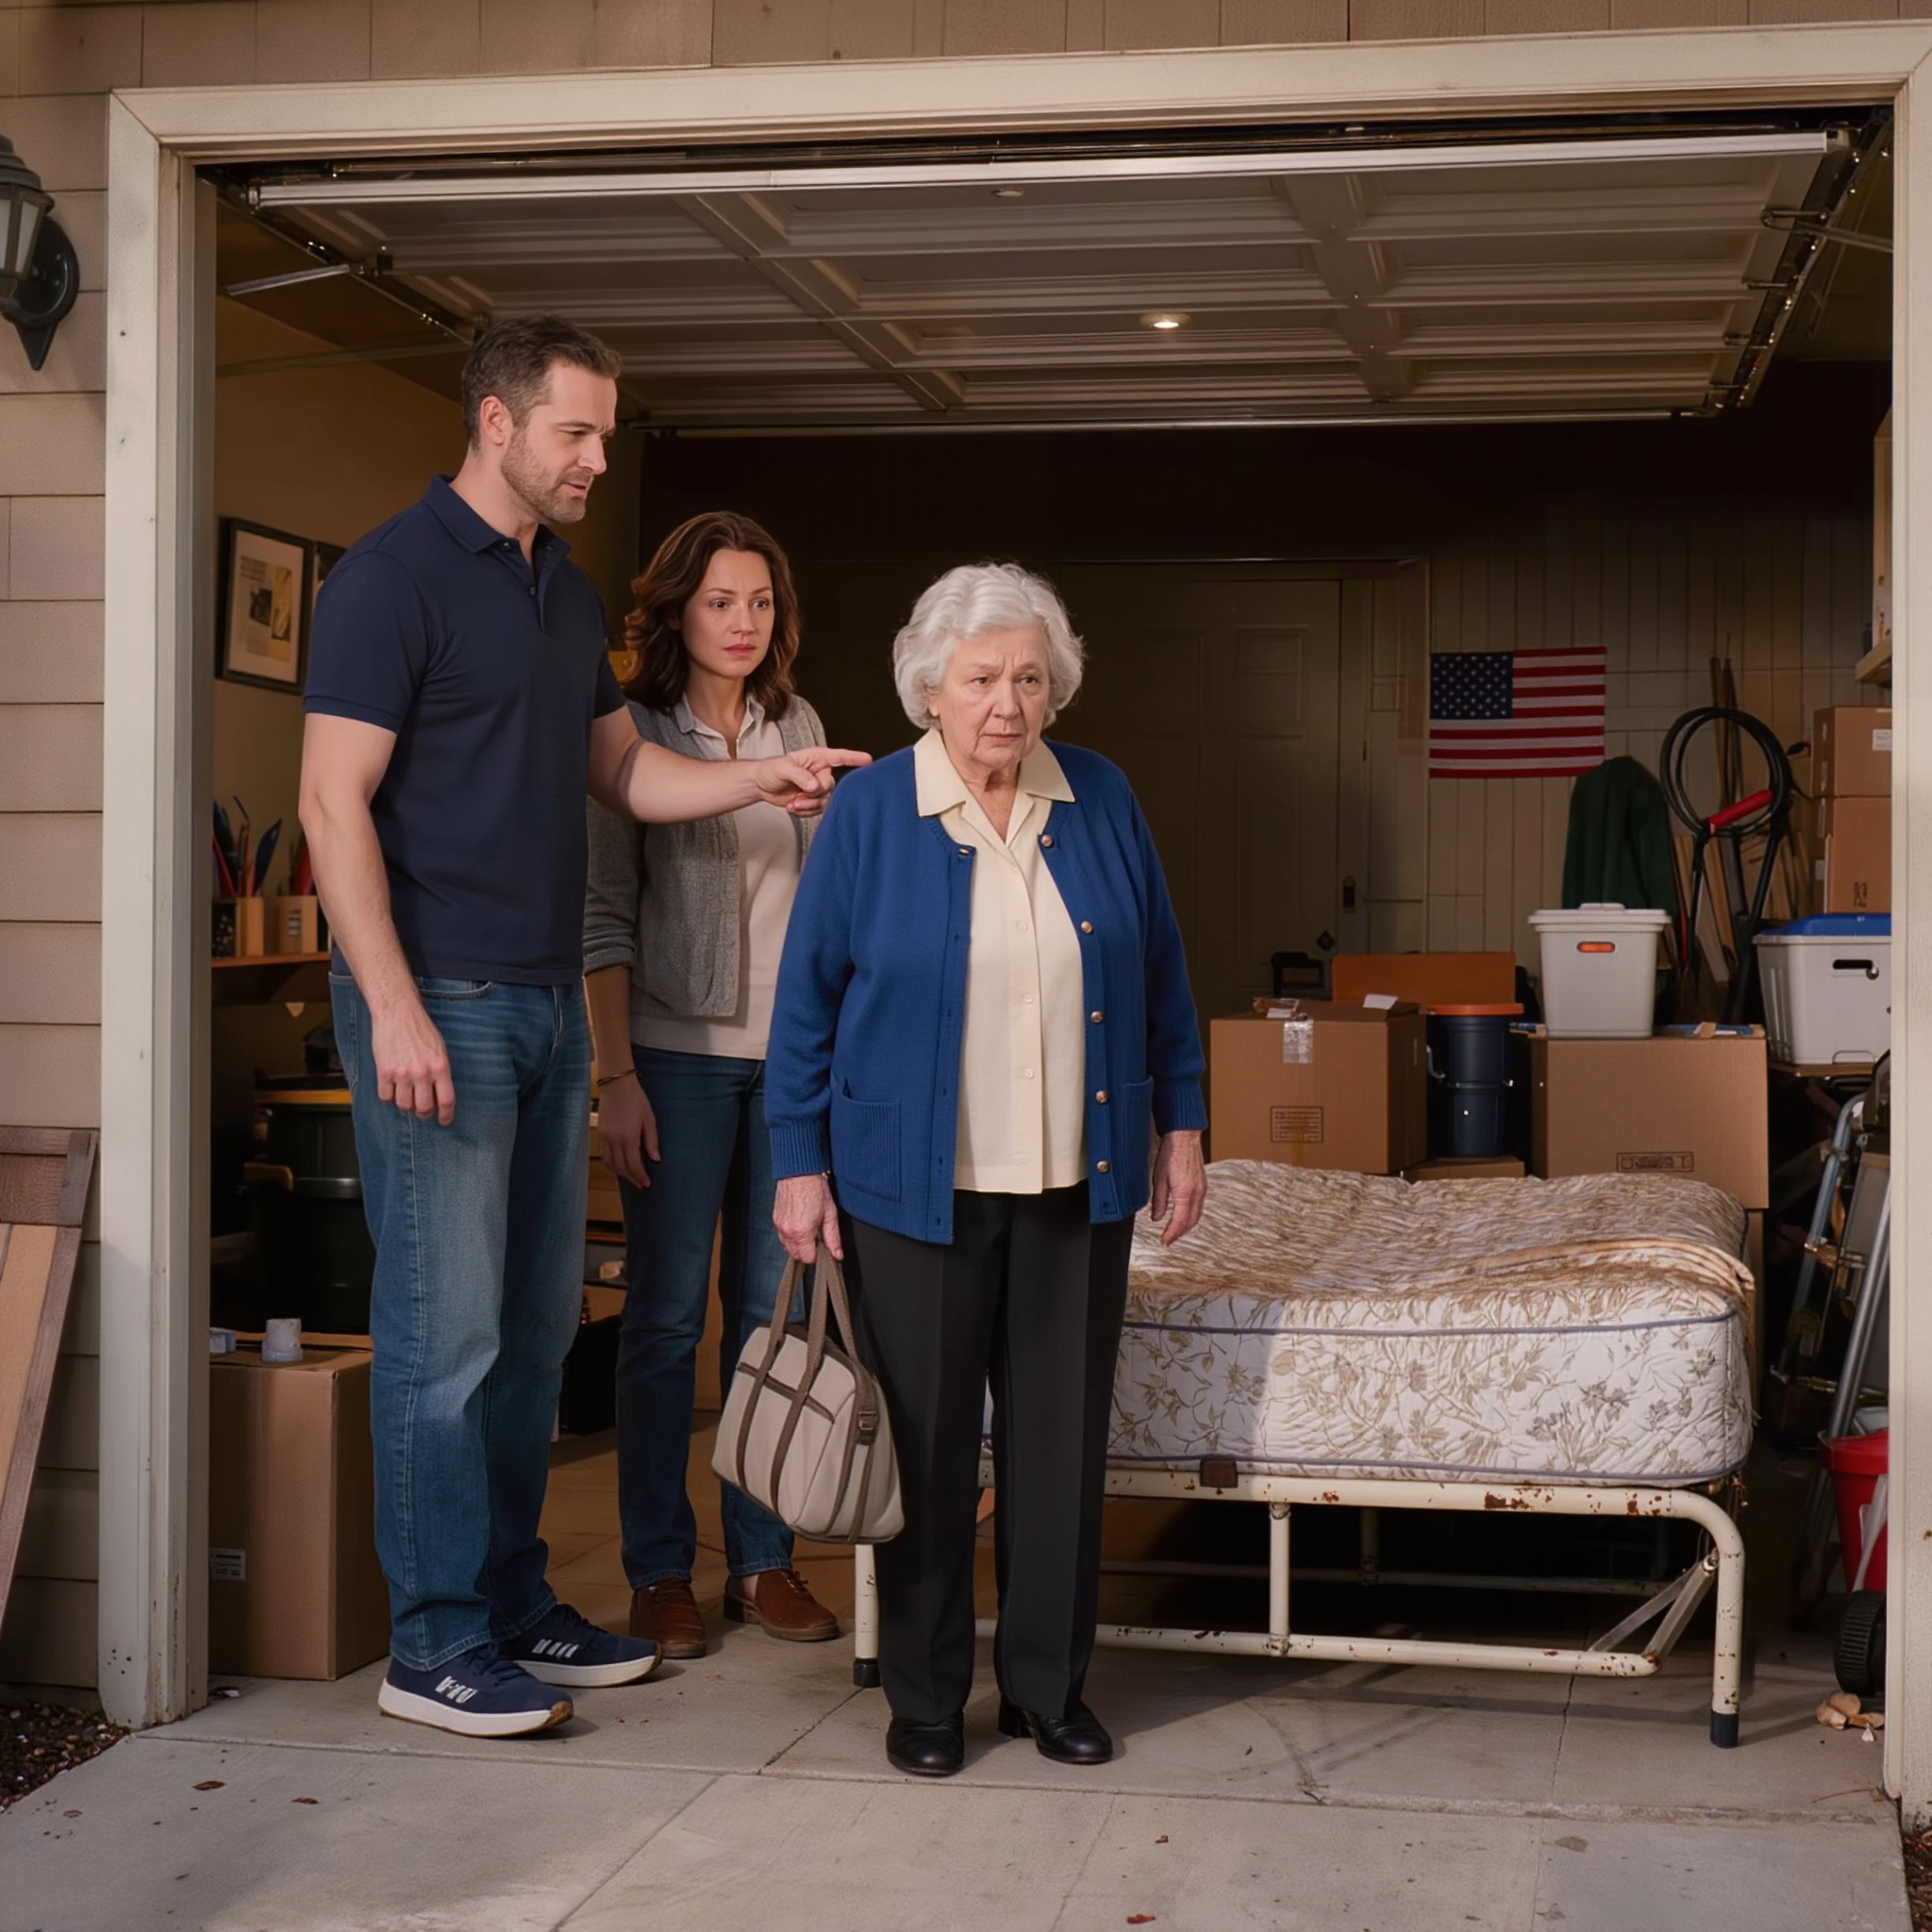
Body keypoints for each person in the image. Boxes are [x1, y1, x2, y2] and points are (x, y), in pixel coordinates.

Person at [299, 316, 866, 1740]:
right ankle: (430, 1643)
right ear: (495, 423)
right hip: (444, 1006)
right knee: (447, 1337)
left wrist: (765, 780)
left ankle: (509, 1604)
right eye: (577, 432)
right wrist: (390, 1004)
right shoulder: (393, 578)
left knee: (544, 1326)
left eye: (604, 433)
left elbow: (628, 768)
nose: (598, 459)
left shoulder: (560, 593)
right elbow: (327, 804)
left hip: (549, 1001)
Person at [765, 562, 1208, 1779]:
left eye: (1025, 675)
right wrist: (797, 1164)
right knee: (925, 1443)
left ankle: (1045, 1688)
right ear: (928, 689)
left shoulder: (1101, 798)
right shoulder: (869, 816)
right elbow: (804, 1004)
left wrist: (1182, 1123)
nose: (1003, 701)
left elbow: (1164, 973)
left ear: (1051, 685)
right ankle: (922, 1694)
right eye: (978, 678)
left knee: (1060, 1451)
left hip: (1077, 1181)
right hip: (913, 1192)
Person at [584, 510, 841, 1658]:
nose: (744, 622)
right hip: (673, 1063)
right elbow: (600, 916)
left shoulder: (800, 723)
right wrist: (616, 1075)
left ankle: (763, 1557)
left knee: (772, 1322)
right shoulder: (631, 732)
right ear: (676, 609)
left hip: (785, 1069)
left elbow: (828, 907)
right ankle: (656, 1569)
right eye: (721, 600)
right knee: (663, 1320)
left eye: (762, 602)